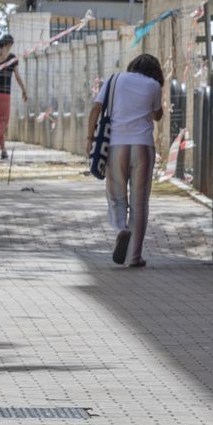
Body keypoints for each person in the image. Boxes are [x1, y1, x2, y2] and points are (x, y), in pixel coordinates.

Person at [86, 53, 164, 268]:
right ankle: (134, 257)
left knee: (116, 196)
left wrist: (89, 139)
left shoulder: (114, 79)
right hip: (143, 148)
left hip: (115, 146)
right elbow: (158, 115)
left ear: (133, 66)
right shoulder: (154, 86)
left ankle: (121, 229)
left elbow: (95, 109)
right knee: (140, 204)